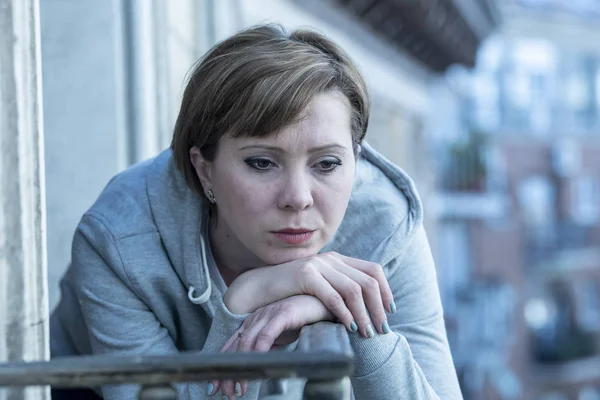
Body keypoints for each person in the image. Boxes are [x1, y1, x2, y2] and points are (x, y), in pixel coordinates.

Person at [49, 24, 462, 399]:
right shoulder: (119, 240)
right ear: (203, 168)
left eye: (327, 163)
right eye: (262, 163)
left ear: (355, 160)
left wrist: (360, 322)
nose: (298, 197)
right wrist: (245, 302)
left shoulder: (384, 225)